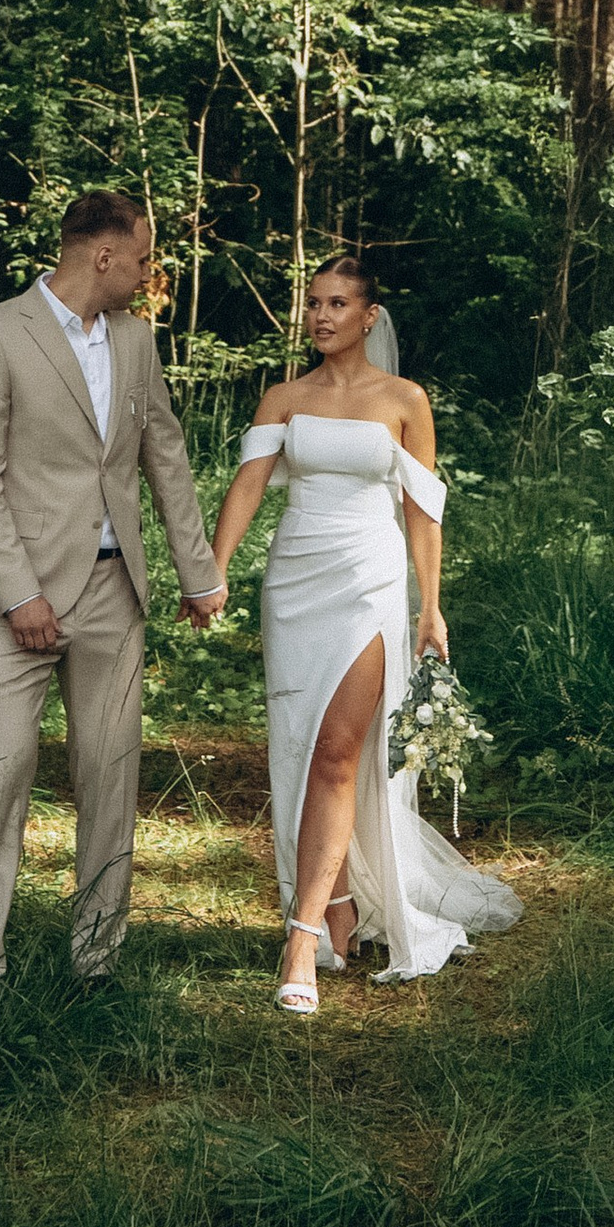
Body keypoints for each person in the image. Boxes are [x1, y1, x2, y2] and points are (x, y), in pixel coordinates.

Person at [206, 252, 522, 1011]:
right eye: (313, 303)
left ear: (368, 316)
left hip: (371, 578)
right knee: (300, 744)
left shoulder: (405, 399)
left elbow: (423, 510)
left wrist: (431, 606)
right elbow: (247, 486)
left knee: (340, 750)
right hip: (296, 581)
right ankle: (339, 905)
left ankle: (302, 939)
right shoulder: (283, 397)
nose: (320, 316)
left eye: (338, 304)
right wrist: (211, 573)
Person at [0, 191, 225, 992]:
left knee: (110, 776)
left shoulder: (136, 342)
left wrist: (198, 572)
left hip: (115, 596)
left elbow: (163, 455)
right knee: (2, 770)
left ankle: (97, 961)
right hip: (17, 601)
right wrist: (19, 595)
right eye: (142, 259)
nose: (148, 275)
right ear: (103, 256)